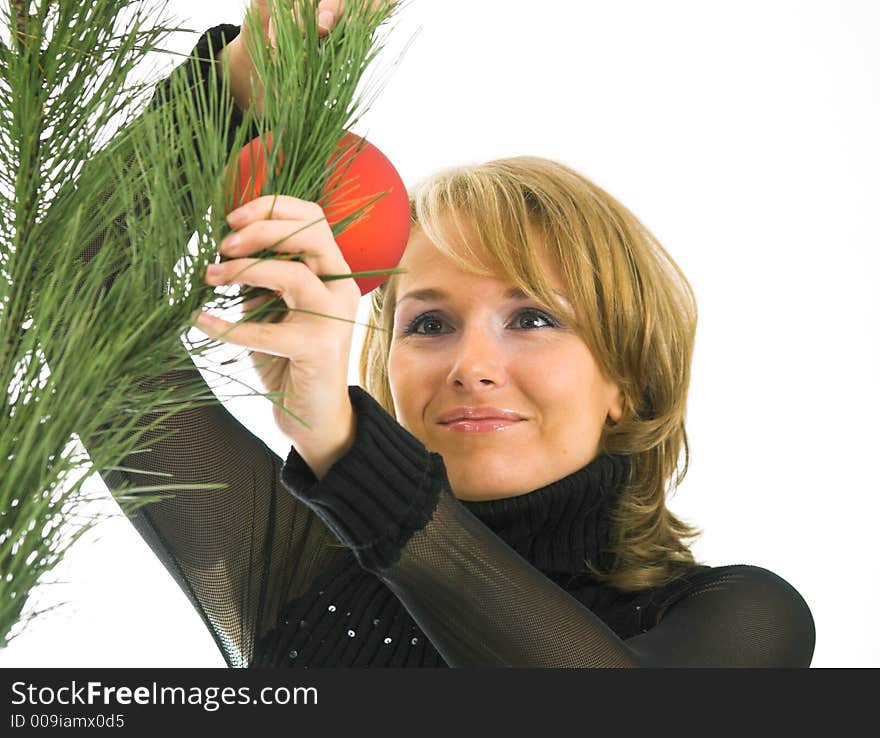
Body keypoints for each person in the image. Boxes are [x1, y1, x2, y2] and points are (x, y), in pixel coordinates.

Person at [92, 1, 815, 667]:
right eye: (429, 324)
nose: (472, 365)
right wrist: (240, 79)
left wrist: (350, 453)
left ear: (625, 379)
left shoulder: (743, 618)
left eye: (533, 318)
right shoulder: (289, 570)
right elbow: (83, 304)